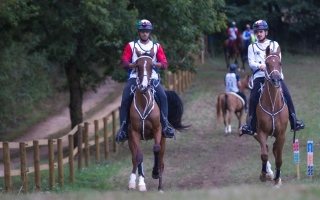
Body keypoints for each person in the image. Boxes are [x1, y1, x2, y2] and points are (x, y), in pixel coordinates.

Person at [240, 20, 305, 136]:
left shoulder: (275, 44)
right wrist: (260, 66)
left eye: (261, 31)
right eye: (257, 32)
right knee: (253, 97)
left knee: (287, 95)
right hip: (260, 76)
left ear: (266, 32)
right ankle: (250, 124)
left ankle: (294, 121)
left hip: (275, 76)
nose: (259, 34)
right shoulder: (252, 47)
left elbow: (278, 61)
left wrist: (276, 73)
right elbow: (251, 62)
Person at [116, 19, 175, 143]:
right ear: (139, 32)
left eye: (147, 31)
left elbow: (164, 64)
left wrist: (154, 63)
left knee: (163, 96)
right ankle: (123, 129)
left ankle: (165, 125)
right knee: (125, 98)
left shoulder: (156, 46)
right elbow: (124, 62)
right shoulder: (131, 45)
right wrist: (133, 65)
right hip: (134, 78)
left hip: (152, 78)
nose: (144, 34)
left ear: (150, 32)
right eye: (142, 31)